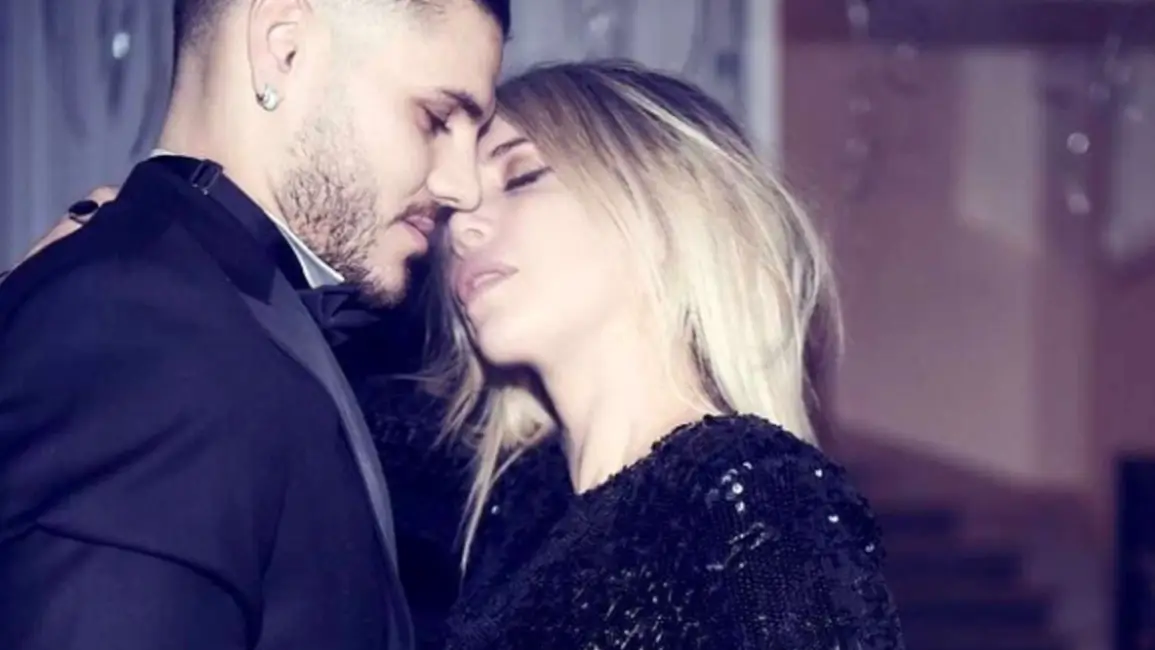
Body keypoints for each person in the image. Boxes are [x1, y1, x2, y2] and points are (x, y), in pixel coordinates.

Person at [30, 60, 906, 649]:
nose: (465, 226)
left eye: (520, 176)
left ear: (667, 206)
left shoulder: (752, 490)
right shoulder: (510, 500)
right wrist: (90, 264)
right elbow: (244, 383)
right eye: (453, 210)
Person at [0, 1, 509, 650]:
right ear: (283, 49)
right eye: (436, 119)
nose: (464, 187)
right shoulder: (147, 331)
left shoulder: (193, 304)